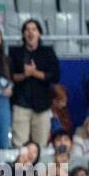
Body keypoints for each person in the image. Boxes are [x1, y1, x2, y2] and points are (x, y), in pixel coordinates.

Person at [9, 18, 60, 148]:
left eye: (34, 29)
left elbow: (55, 76)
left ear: (39, 33)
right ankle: (20, 169)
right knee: (19, 145)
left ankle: (39, 169)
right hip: (21, 104)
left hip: (42, 106)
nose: (30, 32)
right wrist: (25, 75)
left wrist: (35, 73)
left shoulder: (47, 52)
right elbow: (10, 76)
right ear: (23, 34)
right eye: (27, 29)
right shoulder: (15, 52)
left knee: (41, 145)